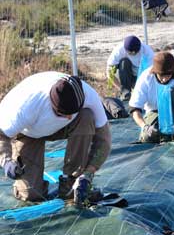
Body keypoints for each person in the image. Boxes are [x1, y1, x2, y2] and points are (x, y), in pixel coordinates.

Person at [0, 71, 111, 203]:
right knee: (30, 195)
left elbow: (104, 140)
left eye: (72, 113)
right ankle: (32, 186)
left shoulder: (90, 96)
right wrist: (6, 161)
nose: (69, 117)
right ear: (52, 104)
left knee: (86, 117)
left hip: (62, 129)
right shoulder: (25, 107)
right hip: (28, 133)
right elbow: (2, 135)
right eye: (62, 114)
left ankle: (71, 180)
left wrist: (88, 173)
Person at [129, 51, 174, 143]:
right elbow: (134, 108)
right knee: (148, 138)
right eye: (161, 75)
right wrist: (145, 127)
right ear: (155, 72)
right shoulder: (146, 78)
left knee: (170, 91)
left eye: (168, 75)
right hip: (154, 112)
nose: (164, 79)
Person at [106, 35, 154, 101]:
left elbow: (152, 73)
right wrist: (121, 88)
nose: (133, 54)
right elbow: (109, 73)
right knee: (124, 62)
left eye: (135, 52)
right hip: (126, 76)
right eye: (130, 53)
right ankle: (126, 93)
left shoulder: (147, 52)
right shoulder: (119, 51)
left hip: (140, 76)